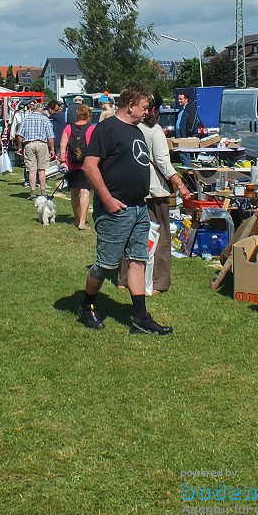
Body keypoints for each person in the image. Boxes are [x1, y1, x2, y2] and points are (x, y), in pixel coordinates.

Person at [77, 82, 172, 335]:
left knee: (139, 261)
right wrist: (107, 199)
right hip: (116, 210)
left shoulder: (137, 130)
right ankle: (87, 305)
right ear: (130, 105)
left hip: (139, 208)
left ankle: (140, 317)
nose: (147, 112)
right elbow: (89, 166)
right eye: (144, 107)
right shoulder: (106, 129)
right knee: (105, 265)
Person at [118, 92, 190, 294]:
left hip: (130, 189)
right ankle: (158, 282)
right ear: (156, 110)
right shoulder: (155, 130)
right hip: (154, 192)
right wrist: (179, 183)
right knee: (161, 238)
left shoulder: (129, 126)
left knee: (129, 235)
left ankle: (124, 279)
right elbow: (162, 161)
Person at [58, 104, 96, 230]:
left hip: (71, 164)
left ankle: (76, 218)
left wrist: (63, 160)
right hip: (85, 164)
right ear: (89, 115)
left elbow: (63, 145)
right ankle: (82, 222)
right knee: (85, 191)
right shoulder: (91, 129)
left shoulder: (69, 128)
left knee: (74, 192)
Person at [18, 102, 55, 199]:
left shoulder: (26, 118)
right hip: (42, 144)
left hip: (29, 144)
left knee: (32, 170)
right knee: (42, 170)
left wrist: (19, 147)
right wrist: (52, 149)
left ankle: (33, 192)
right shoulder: (45, 119)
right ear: (42, 110)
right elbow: (50, 136)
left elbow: (19, 134)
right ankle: (43, 192)